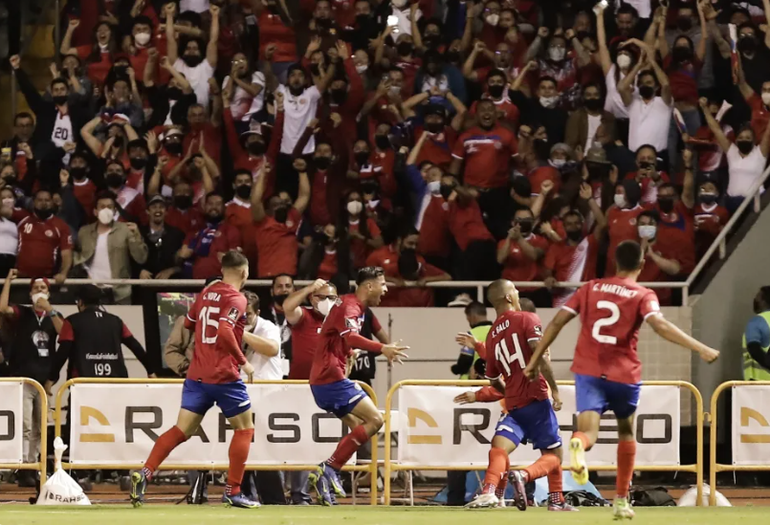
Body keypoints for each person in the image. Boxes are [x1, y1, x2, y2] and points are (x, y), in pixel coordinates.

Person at [525, 240, 720, 520]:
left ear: (615, 262)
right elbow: (660, 325)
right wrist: (700, 347)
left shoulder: (590, 288)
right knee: (626, 432)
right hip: (623, 373)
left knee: (588, 432)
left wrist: (534, 361)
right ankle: (620, 501)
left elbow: (557, 322)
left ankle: (579, 443)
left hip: (589, 371)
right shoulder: (642, 294)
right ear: (642, 264)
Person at [129, 250, 259, 509]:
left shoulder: (206, 294)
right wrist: (244, 362)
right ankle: (233, 491)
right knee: (244, 429)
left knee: (181, 430)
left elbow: (189, 324)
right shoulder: (237, 298)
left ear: (222, 270)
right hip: (224, 376)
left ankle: (144, 473)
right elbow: (224, 330)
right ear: (245, 273)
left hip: (197, 375)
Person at [462, 279, 571, 511]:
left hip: (513, 404)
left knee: (498, 448)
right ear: (509, 297)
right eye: (516, 291)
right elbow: (539, 355)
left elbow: (493, 379)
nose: (518, 294)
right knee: (554, 455)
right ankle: (530, 480)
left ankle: (489, 492)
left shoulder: (491, 336)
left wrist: (508, 392)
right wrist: (556, 390)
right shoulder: (527, 319)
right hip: (536, 398)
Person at [307, 267, 408, 506]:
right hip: (330, 378)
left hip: (326, 379)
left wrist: (349, 353)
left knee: (357, 427)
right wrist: (381, 348)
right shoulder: (350, 306)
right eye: (383, 284)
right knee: (376, 420)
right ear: (369, 286)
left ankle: (326, 483)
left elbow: (337, 338)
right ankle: (329, 469)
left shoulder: (355, 308)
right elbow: (350, 337)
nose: (386, 289)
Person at [0, 272, 63, 487]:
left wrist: (50, 309)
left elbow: (64, 334)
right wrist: (8, 281)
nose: (39, 291)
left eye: (43, 288)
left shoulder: (54, 315)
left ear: (49, 293)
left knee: (40, 427)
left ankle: (35, 464)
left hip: (44, 380)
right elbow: (3, 308)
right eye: (36, 288)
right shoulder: (24, 313)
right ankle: (23, 467)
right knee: (25, 425)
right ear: (30, 293)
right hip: (24, 377)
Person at [47, 284, 156, 388]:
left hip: (83, 382)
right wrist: (150, 371)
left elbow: (62, 352)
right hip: (117, 381)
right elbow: (135, 346)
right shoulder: (116, 321)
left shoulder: (72, 321)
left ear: (80, 302)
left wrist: (51, 378)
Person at [75, 191, 148, 303]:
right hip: (91, 292)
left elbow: (141, 258)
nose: (106, 210)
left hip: (120, 293)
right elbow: (75, 255)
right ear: (95, 211)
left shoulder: (125, 230)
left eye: (109, 207)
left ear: (115, 211)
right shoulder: (84, 232)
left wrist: (136, 236)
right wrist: (84, 272)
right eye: (102, 207)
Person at [742, 287, 770, 379]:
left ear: (764, 301)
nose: (755, 300)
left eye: (758, 297)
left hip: (760, 382)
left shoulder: (756, 322)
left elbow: (754, 349)